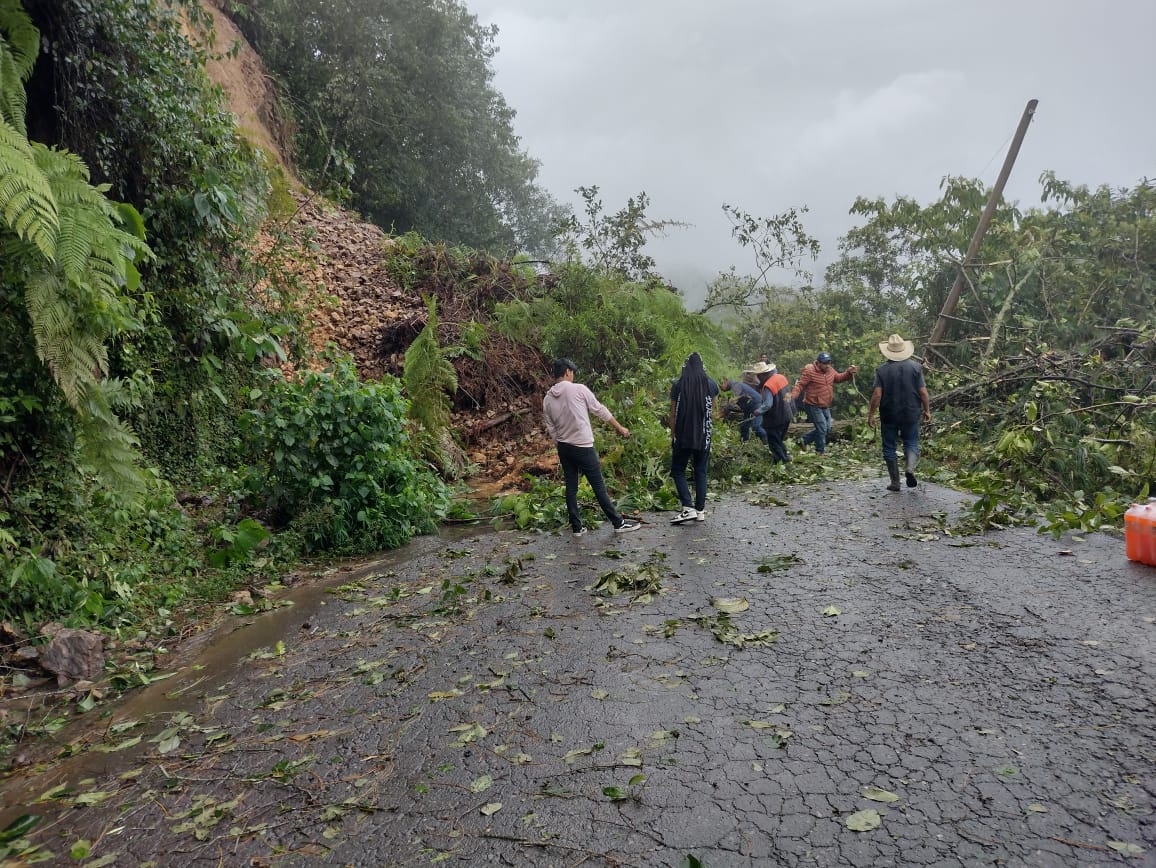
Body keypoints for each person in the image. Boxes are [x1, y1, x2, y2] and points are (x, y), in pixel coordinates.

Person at [542, 358, 641, 535]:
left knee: (571, 487)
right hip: (583, 446)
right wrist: (620, 428)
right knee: (598, 486)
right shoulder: (578, 389)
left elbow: (551, 428)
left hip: (564, 447)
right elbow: (599, 410)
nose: (573, 375)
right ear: (567, 372)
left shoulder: (547, 399)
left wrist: (561, 444)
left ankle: (577, 527)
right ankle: (618, 523)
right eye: (572, 372)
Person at [866, 334, 931, 491]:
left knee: (889, 446)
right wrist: (927, 410)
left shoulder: (882, 371)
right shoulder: (916, 368)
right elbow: (923, 392)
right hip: (911, 412)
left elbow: (877, 395)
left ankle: (895, 482)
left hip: (889, 414)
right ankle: (909, 468)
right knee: (911, 442)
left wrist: (871, 414)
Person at [669, 352, 720, 524]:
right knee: (700, 471)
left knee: (678, 470)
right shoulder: (711, 384)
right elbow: (712, 410)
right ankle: (700, 510)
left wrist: (673, 435)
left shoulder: (678, 385)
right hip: (704, 437)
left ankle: (687, 507)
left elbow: (673, 414)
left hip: (683, 435)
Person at [791, 351, 858, 454]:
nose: (827, 365)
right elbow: (800, 385)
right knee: (822, 428)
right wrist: (793, 396)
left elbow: (838, 378)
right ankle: (820, 452)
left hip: (825, 404)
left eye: (828, 362)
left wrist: (848, 372)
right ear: (818, 362)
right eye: (825, 363)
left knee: (827, 428)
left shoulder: (830, 370)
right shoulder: (809, 371)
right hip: (813, 405)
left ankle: (803, 440)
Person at [750, 362, 793, 463]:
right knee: (778, 439)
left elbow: (768, 405)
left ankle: (781, 461)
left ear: (762, 374)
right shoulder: (781, 377)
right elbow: (788, 395)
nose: (757, 378)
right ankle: (785, 457)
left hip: (776, 418)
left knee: (773, 441)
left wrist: (757, 412)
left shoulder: (768, 385)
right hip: (788, 413)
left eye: (758, 375)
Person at [719, 376, 766, 445]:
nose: (721, 387)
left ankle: (768, 442)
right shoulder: (731, 389)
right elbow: (730, 404)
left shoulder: (736, 386)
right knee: (744, 426)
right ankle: (744, 443)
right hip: (748, 408)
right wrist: (724, 412)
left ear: (726, 381)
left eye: (721, 384)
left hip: (757, 405)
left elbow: (733, 401)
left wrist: (722, 412)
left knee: (756, 426)